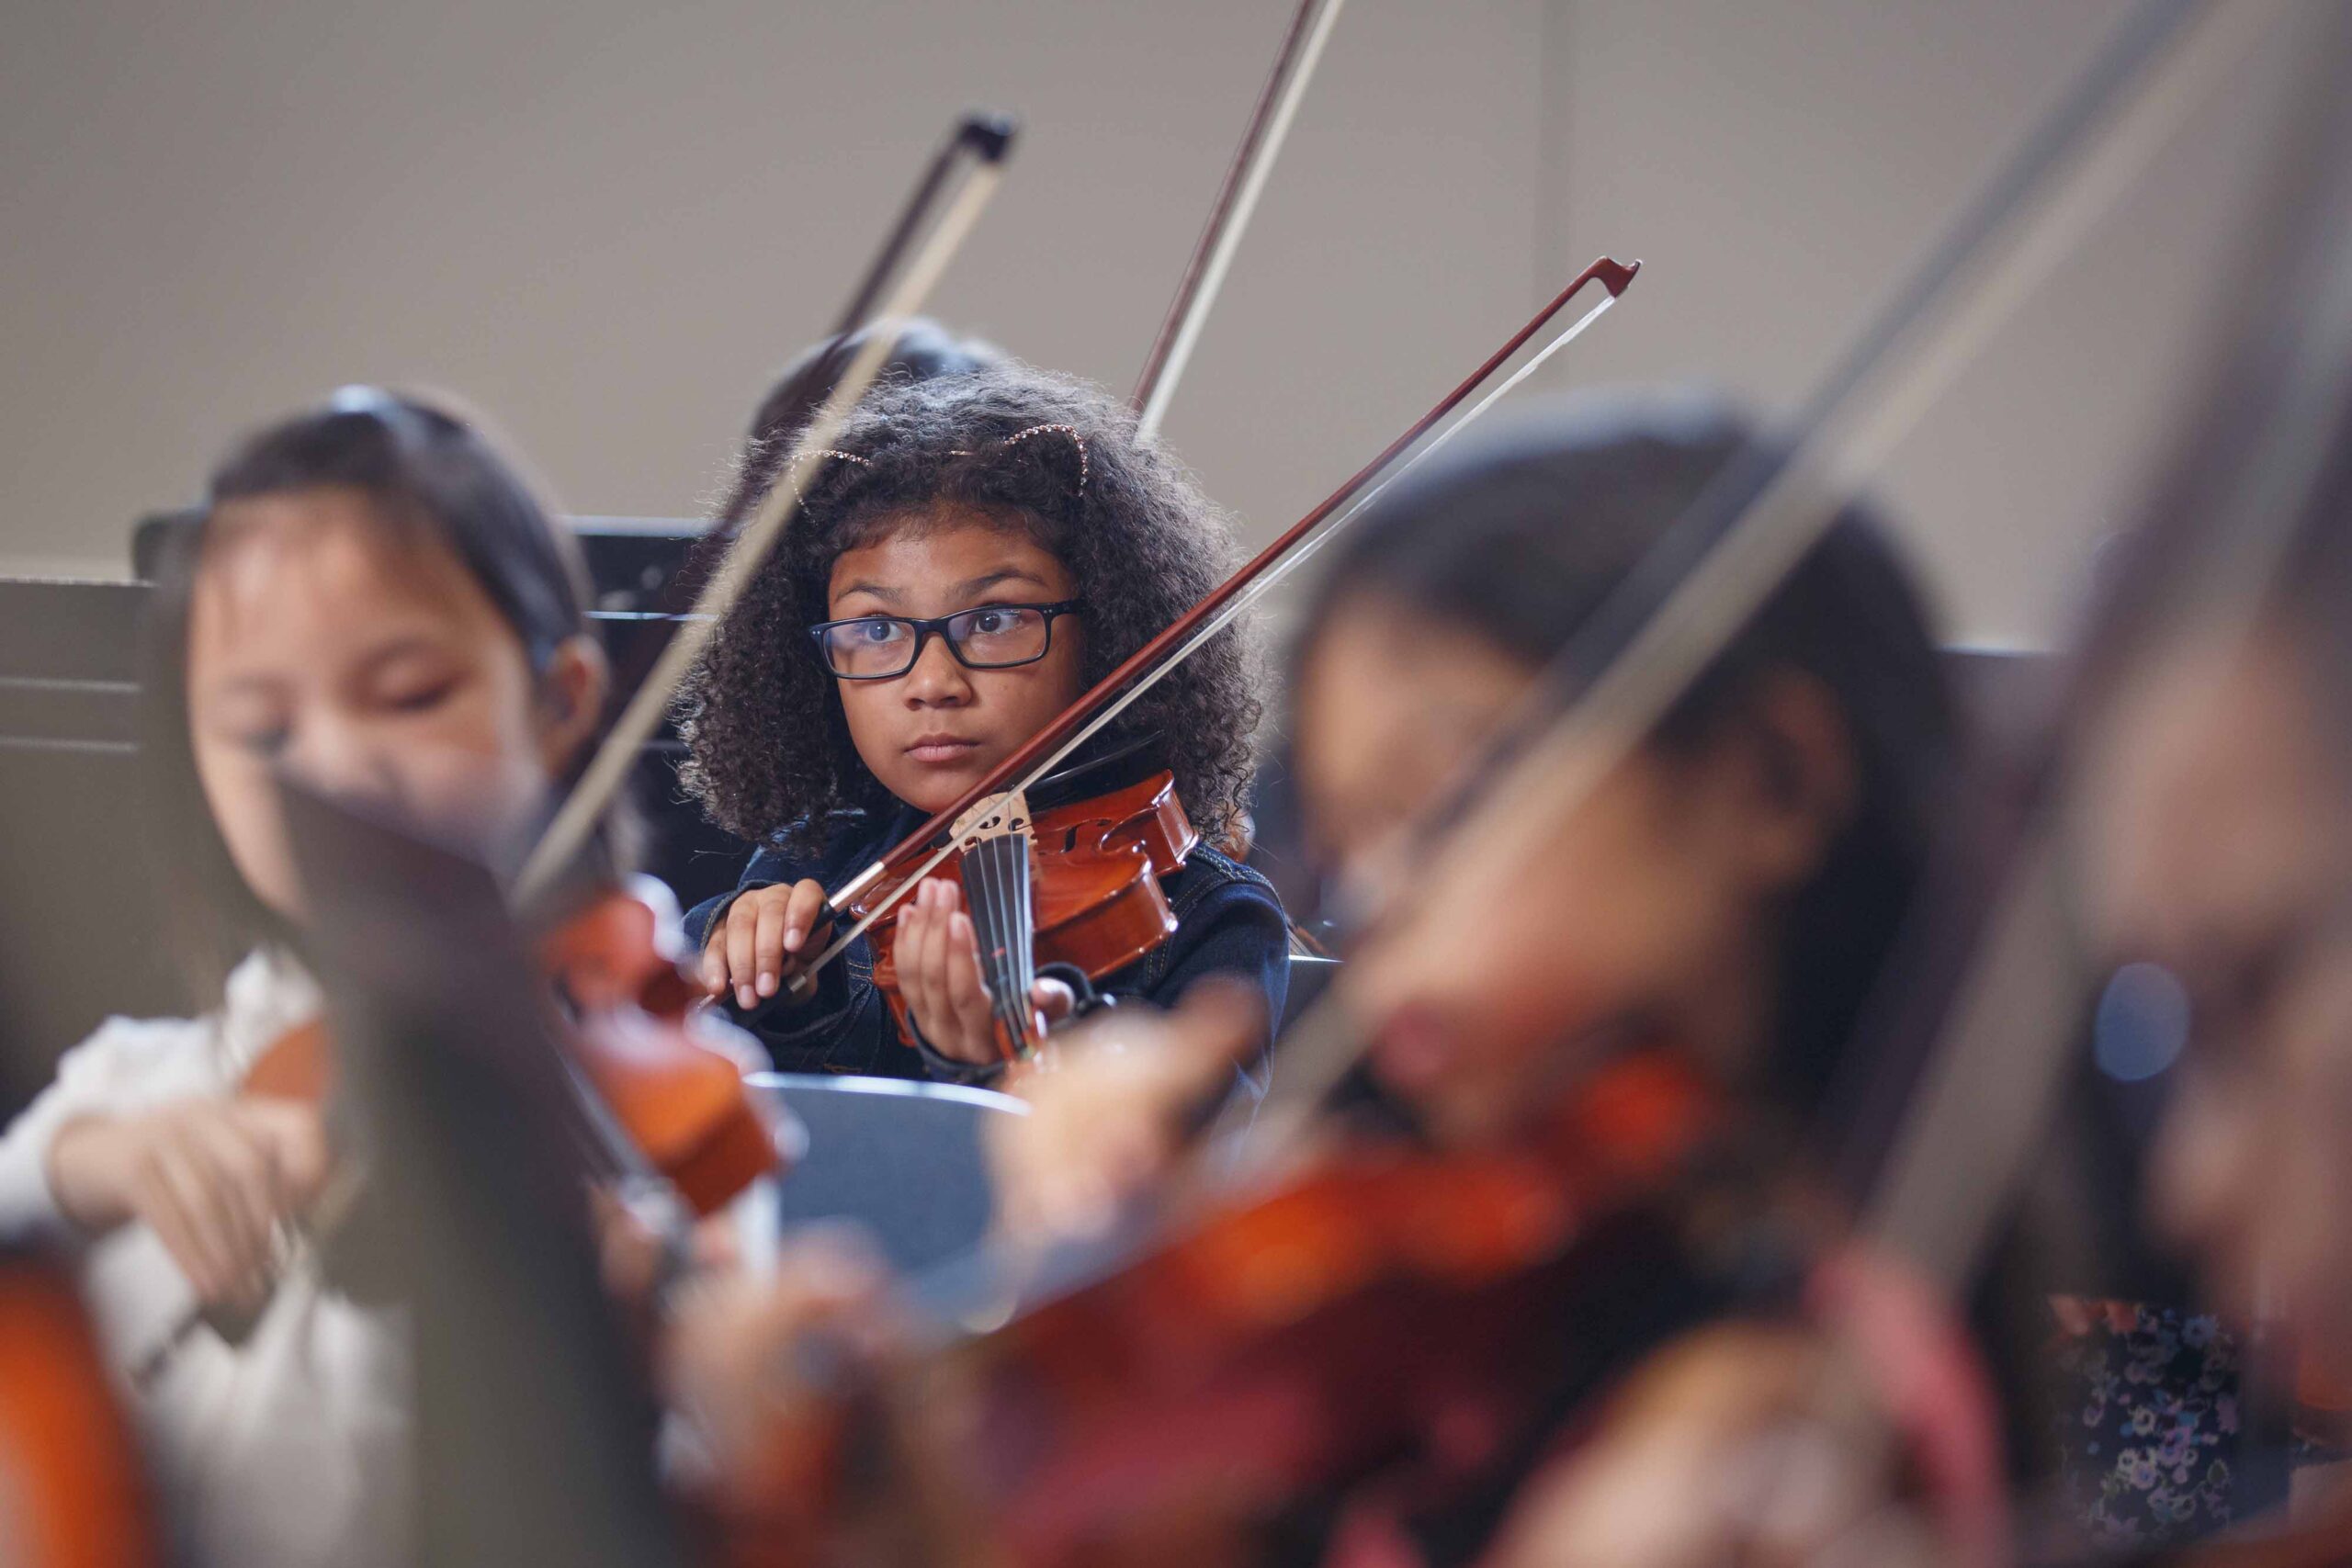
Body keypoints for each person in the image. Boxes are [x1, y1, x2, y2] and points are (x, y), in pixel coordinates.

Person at [0, 390, 729, 1568]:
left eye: (408, 697)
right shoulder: (143, 1080)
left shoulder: (641, 1103)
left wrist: (606, 1341)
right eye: (262, 730)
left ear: (559, 704)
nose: (336, 768)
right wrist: (87, 1167)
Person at [677, 361, 1287, 1083]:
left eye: (994, 620)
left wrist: (1005, 1069)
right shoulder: (811, 865)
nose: (933, 683)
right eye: (876, 630)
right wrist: (764, 984)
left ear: (1107, 632)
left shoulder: (1206, 915)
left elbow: (1184, 1147)